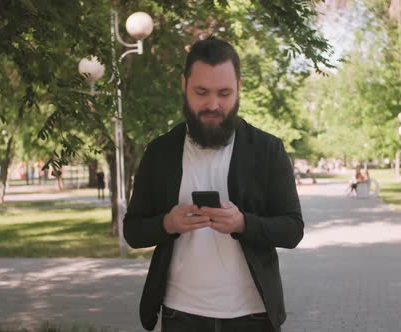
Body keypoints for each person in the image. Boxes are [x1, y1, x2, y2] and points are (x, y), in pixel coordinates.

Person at [124, 37, 304, 332]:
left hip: (253, 316)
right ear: (184, 85)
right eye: (201, 92)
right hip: (180, 315)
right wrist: (168, 223)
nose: (213, 104)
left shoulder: (268, 150)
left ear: (239, 88)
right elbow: (133, 230)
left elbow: (292, 230)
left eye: (224, 93)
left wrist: (243, 223)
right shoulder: (160, 152)